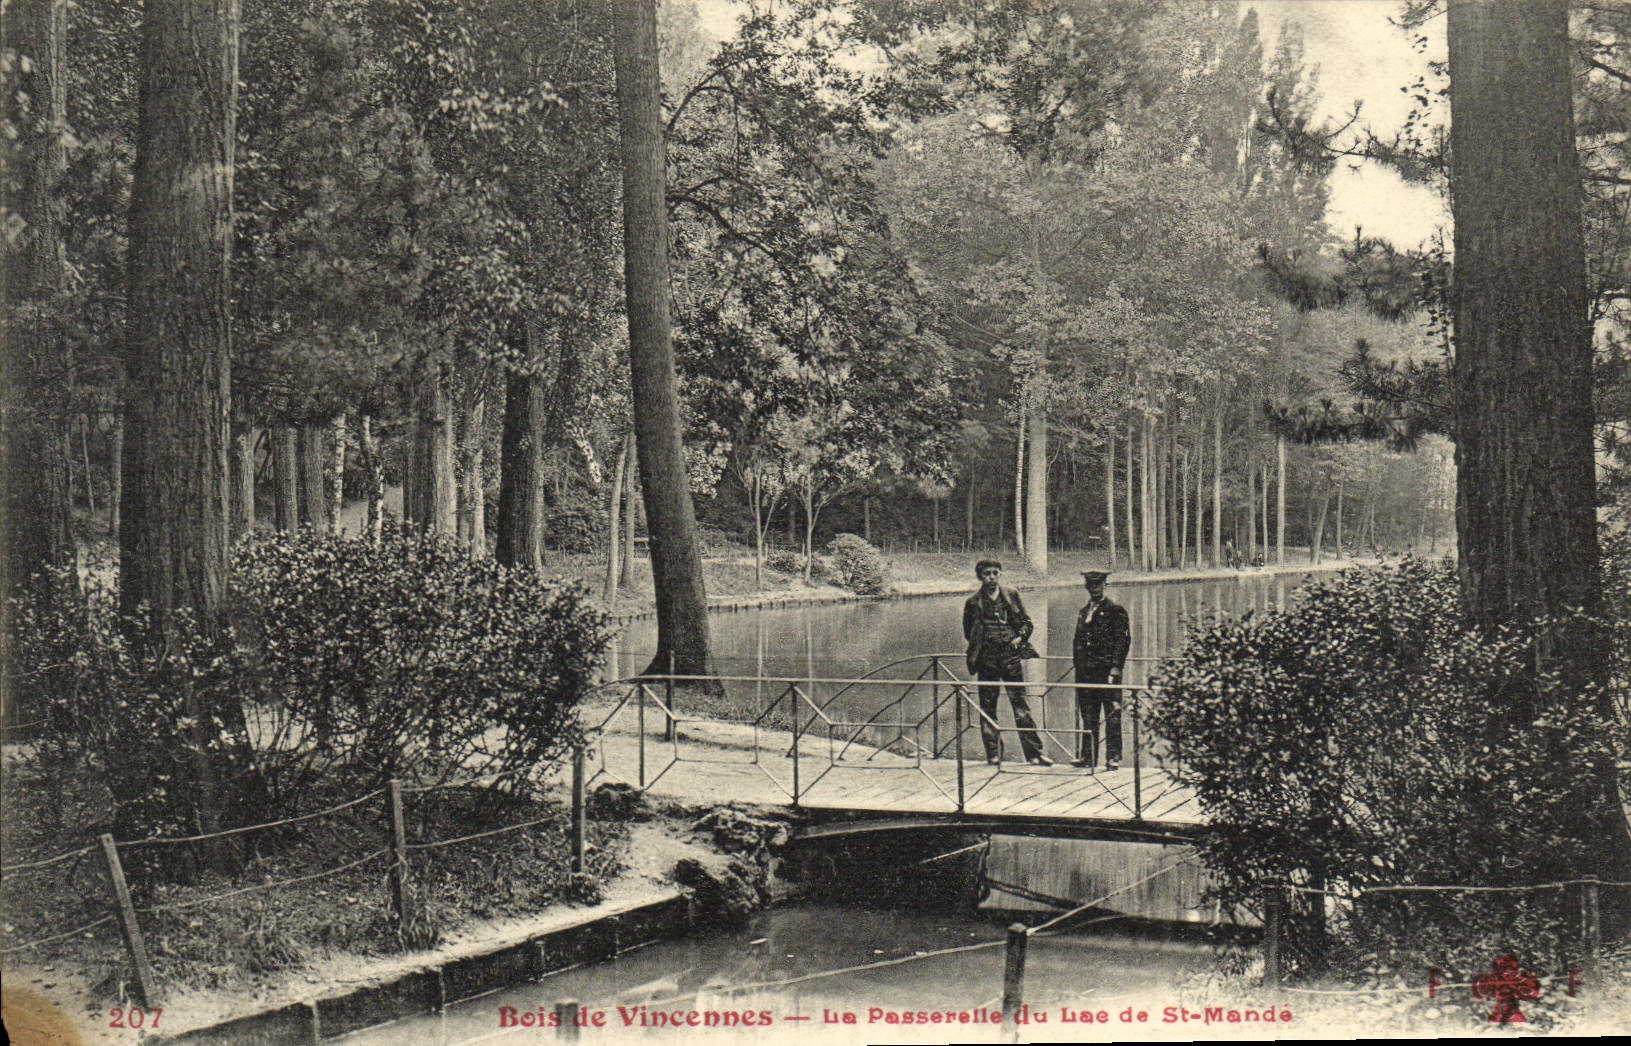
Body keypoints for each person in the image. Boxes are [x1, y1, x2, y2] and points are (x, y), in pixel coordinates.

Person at [962, 559, 1049, 766]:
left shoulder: (1011, 595)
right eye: (987, 574)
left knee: (1021, 707)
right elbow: (968, 633)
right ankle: (993, 754)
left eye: (995, 573)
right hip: (987, 661)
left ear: (1000, 574)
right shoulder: (973, 603)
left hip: (1010, 659)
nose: (992, 577)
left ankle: (1034, 754)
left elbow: (1027, 623)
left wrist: (1019, 638)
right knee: (988, 708)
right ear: (980, 577)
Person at [1070, 570, 1131, 770]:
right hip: (1086, 673)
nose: (1094, 588)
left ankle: (1113, 758)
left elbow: (1122, 641)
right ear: (1087, 587)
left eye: (1098, 584)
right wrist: (1078, 665)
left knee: (1112, 713)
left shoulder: (1115, 610)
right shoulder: (1083, 611)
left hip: (1106, 672)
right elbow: (1078, 641)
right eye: (1091, 585)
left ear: (1105, 585)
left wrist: (1115, 667)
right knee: (1088, 715)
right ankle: (1088, 757)